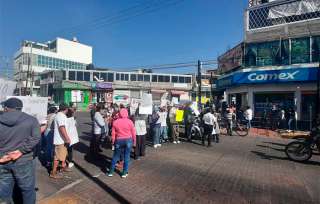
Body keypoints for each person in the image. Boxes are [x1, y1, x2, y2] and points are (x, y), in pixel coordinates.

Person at [0, 98, 41, 204]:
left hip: (3, 160)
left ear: (6, 108)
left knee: (4, 190)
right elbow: (36, 138)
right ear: (20, 108)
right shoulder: (31, 120)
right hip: (23, 160)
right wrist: (21, 151)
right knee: (27, 190)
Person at [108, 108, 136, 178]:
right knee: (127, 157)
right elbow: (133, 133)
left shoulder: (116, 122)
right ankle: (124, 173)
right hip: (128, 140)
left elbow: (113, 133)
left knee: (115, 156)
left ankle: (111, 172)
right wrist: (134, 141)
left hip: (119, 140)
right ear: (127, 113)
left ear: (120, 113)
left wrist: (113, 142)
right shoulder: (130, 122)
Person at [50, 103, 72, 179]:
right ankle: (53, 172)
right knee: (57, 157)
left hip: (61, 140)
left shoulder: (59, 115)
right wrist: (67, 138)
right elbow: (61, 127)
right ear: (66, 109)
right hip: (60, 140)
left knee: (62, 155)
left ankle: (63, 166)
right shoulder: (60, 116)